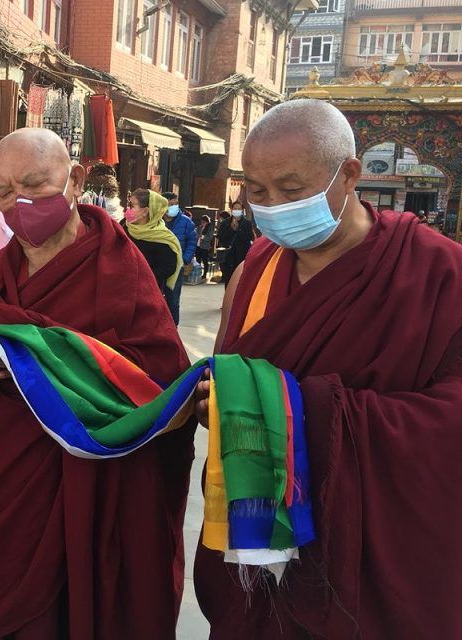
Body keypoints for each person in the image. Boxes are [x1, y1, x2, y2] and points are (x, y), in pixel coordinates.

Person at [194, 99, 462, 639]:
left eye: (291, 191)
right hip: (265, 526)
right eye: (257, 192)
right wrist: (216, 405)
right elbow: (228, 375)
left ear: (349, 174)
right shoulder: (255, 269)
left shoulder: (436, 271)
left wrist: (306, 411)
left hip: (379, 543)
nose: (271, 207)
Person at [0, 128, 194, 638]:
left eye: (35, 186)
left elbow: (163, 393)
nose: (20, 204)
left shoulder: (122, 272)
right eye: (5, 192)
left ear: (75, 179)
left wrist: (83, 383)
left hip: (96, 496)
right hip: (5, 505)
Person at [121, 188, 182, 291]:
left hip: (147, 290)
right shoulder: (124, 226)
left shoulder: (162, 237)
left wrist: (142, 277)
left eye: (132, 206)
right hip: (123, 287)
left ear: (145, 211)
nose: (128, 209)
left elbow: (168, 267)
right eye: (128, 204)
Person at [161, 191, 197, 325]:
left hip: (177, 266)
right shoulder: (156, 221)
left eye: (176, 204)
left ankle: (173, 328)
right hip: (159, 266)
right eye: (170, 204)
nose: (174, 207)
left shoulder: (186, 222)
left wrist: (185, 259)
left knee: (173, 300)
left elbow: (192, 241)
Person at [220, 204, 253, 288]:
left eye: (239, 208)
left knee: (240, 280)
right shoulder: (225, 223)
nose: (237, 210)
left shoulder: (246, 223)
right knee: (229, 279)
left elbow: (249, 237)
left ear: (242, 210)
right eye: (235, 208)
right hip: (228, 255)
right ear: (231, 209)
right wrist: (231, 229)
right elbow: (221, 237)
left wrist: (238, 229)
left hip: (241, 255)